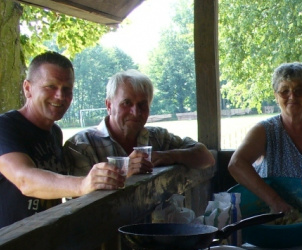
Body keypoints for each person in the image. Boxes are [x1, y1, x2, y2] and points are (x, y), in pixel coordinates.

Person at [0, 51, 124, 232]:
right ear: (27, 88)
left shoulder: (55, 133)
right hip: (8, 245)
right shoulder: (1, 127)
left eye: (67, 89)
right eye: (51, 86)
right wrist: (83, 184)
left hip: (48, 241)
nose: (60, 96)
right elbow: (24, 180)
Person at [65, 69, 214, 177]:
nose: (135, 112)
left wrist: (168, 156)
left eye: (142, 105)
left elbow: (206, 157)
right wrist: (123, 172)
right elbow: (79, 203)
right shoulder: (82, 145)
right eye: (126, 103)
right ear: (109, 106)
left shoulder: (158, 137)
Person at [228, 62, 302, 215]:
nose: (292, 96)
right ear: (276, 96)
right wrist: (275, 202)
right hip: (272, 218)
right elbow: (236, 164)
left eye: (299, 90)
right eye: (284, 91)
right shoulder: (265, 131)